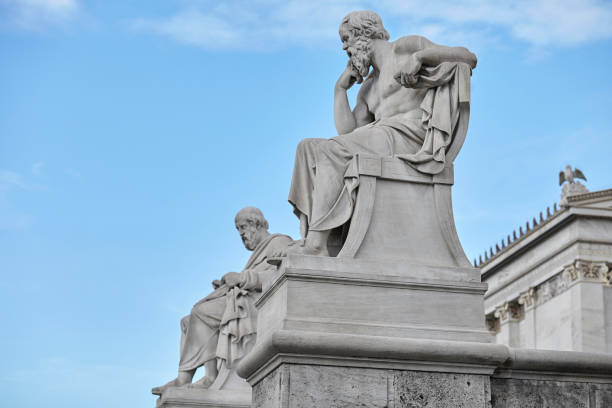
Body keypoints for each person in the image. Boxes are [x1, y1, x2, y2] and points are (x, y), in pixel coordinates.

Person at [288, 10, 477, 256]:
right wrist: (339, 90)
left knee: (330, 149)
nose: (344, 47)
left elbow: (467, 57)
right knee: (308, 148)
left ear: (363, 34)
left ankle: (316, 244)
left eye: (346, 39)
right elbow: (347, 132)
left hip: (410, 137)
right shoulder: (367, 88)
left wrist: (420, 57)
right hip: (382, 136)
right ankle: (319, 237)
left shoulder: (405, 48)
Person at [152, 207, 292, 395]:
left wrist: (243, 279)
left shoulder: (279, 242)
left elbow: (280, 274)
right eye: (238, 229)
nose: (241, 234)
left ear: (255, 224)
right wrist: (228, 284)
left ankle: (202, 378)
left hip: (257, 303)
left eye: (242, 227)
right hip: (245, 297)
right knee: (187, 321)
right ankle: (197, 376)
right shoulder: (260, 249)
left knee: (201, 313)